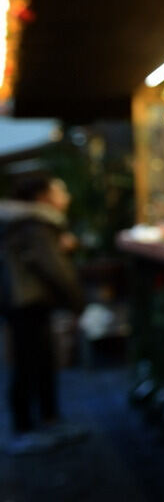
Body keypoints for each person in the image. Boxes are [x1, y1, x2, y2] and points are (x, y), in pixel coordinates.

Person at [0, 174, 87, 455]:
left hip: (23, 300)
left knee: (36, 362)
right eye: (60, 191)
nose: (66, 197)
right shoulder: (35, 224)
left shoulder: (29, 222)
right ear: (42, 197)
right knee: (29, 363)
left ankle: (44, 421)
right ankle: (26, 429)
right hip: (27, 301)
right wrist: (78, 303)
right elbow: (53, 269)